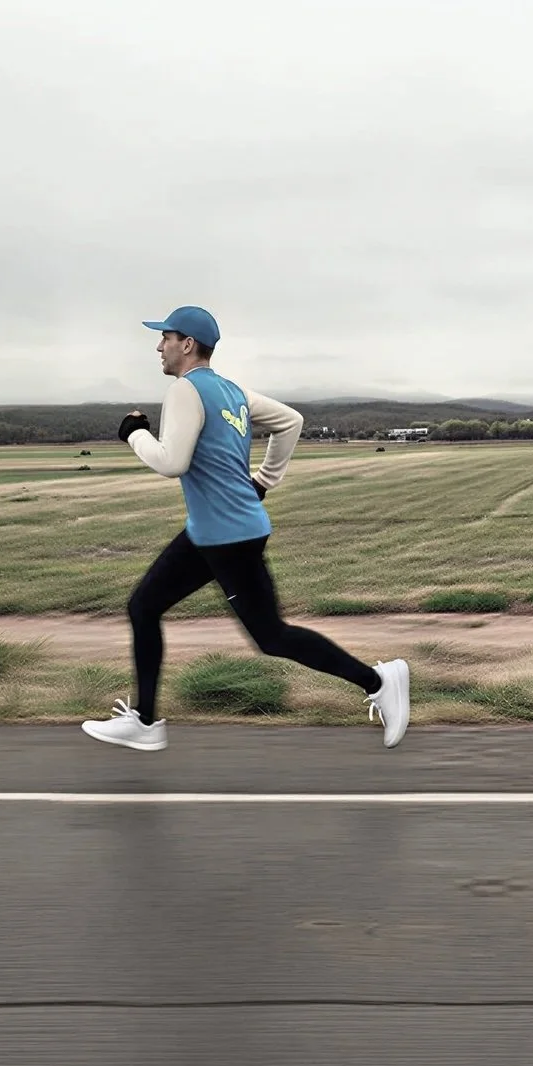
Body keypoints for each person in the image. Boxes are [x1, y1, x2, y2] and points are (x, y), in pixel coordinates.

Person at [81, 305, 410, 751]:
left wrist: (134, 433)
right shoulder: (231, 391)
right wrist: (264, 482)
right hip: (212, 531)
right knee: (143, 606)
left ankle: (379, 680)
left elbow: (172, 462)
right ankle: (144, 721)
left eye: (166, 338)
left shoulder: (185, 391)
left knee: (272, 637)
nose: (159, 346)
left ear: (188, 345)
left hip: (229, 538)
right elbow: (290, 421)